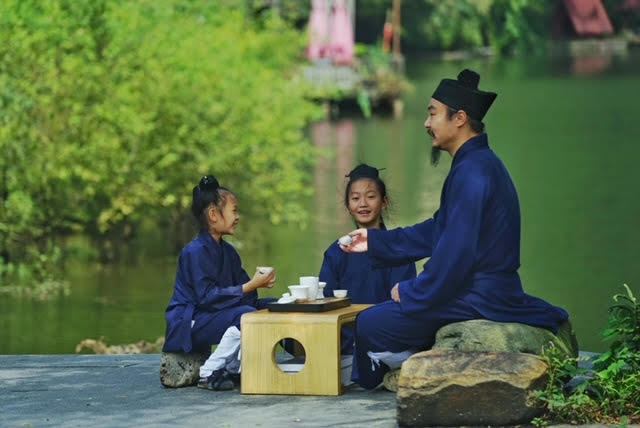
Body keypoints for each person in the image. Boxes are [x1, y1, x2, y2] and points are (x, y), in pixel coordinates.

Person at [340, 69, 570, 389]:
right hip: (474, 290)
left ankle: (386, 377)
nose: (426, 123)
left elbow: (456, 255)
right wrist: (376, 241)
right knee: (377, 319)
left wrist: (410, 292)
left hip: (478, 296)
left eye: (432, 113)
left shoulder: (474, 172)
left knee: (370, 324)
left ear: (459, 118)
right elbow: (439, 230)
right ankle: (403, 362)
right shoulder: (474, 165)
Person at [162, 174, 277, 391]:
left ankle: (234, 368)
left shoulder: (229, 252)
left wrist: (258, 283)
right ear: (214, 215)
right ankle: (209, 372)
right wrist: (251, 285)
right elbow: (206, 298)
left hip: (213, 314)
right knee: (244, 315)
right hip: (189, 321)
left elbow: (247, 296)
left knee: (273, 307)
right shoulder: (194, 252)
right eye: (234, 211)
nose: (238, 217)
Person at [319, 164, 416, 354]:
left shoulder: (398, 248)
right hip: (344, 344)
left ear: (384, 202)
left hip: (386, 341)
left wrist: (371, 335)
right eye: (355, 198)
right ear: (348, 206)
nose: (363, 204)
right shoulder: (336, 252)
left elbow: (403, 304)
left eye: (371, 197)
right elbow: (326, 301)